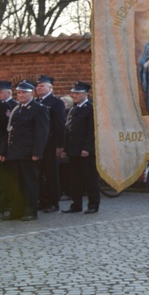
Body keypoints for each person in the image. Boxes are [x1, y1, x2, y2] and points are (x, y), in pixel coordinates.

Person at [0, 80, 50, 221]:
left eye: (24, 93)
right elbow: (8, 132)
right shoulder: (17, 109)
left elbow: (42, 132)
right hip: (14, 153)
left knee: (29, 183)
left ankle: (30, 210)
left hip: (28, 153)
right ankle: (17, 211)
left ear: (32, 93)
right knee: (16, 184)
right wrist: (3, 152)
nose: (21, 95)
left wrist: (37, 152)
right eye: (19, 93)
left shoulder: (39, 109)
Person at [61, 82, 99, 214]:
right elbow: (68, 130)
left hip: (85, 150)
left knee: (90, 179)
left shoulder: (91, 109)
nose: (74, 95)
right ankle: (76, 204)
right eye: (73, 93)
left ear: (86, 94)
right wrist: (65, 149)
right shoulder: (73, 109)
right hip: (73, 150)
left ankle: (93, 204)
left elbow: (92, 131)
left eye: (77, 93)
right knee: (74, 179)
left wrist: (88, 148)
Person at [35, 75, 66, 213]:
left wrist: (59, 145)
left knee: (51, 173)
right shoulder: (36, 102)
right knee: (39, 173)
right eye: (37, 86)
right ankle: (42, 200)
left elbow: (60, 124)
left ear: (50, 88)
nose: (39, 88)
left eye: (42, 85)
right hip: (38, 144)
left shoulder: (55, 102)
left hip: (51, 143)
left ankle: (53, 202)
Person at [0, 80, 18, 218]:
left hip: (8, 146)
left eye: (1, 92)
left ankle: (9, 203)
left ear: (8, 92)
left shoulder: (15, 106)